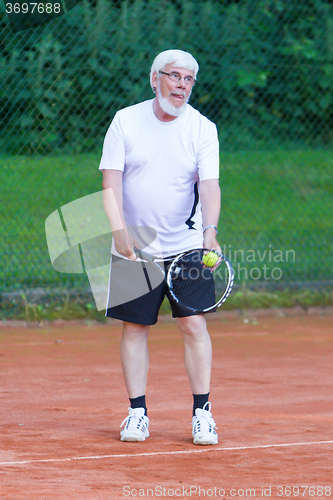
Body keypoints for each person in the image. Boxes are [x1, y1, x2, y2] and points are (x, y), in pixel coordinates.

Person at [99, 49, 221, 445]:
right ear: (155, 79)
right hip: (136, 245)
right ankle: (137, 413)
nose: (182, 86)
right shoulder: (125, 121)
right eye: (174, 77)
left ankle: (202, 414)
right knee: (134, 328)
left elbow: (209, 186)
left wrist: (211, 232)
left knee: (194, 324)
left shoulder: (203, 128)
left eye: (189, 80)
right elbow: (111, 183)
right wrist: (119, 231)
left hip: (187, 246)